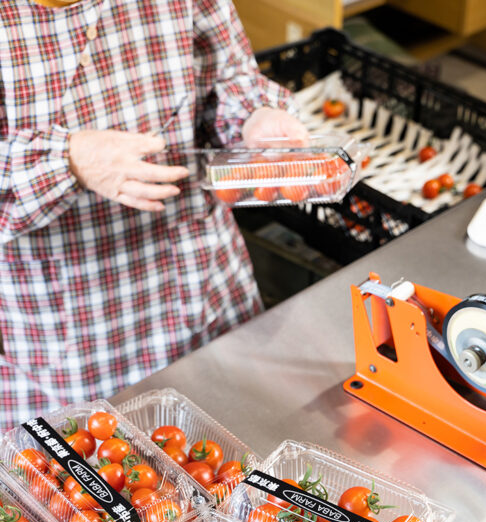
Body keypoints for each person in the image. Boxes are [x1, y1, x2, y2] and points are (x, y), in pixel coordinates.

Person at [0, 0, 309, 429]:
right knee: (93, 464)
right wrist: (68, 159)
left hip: (203, 292)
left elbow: (227, 77)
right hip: (66, 339)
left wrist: (254, 118)